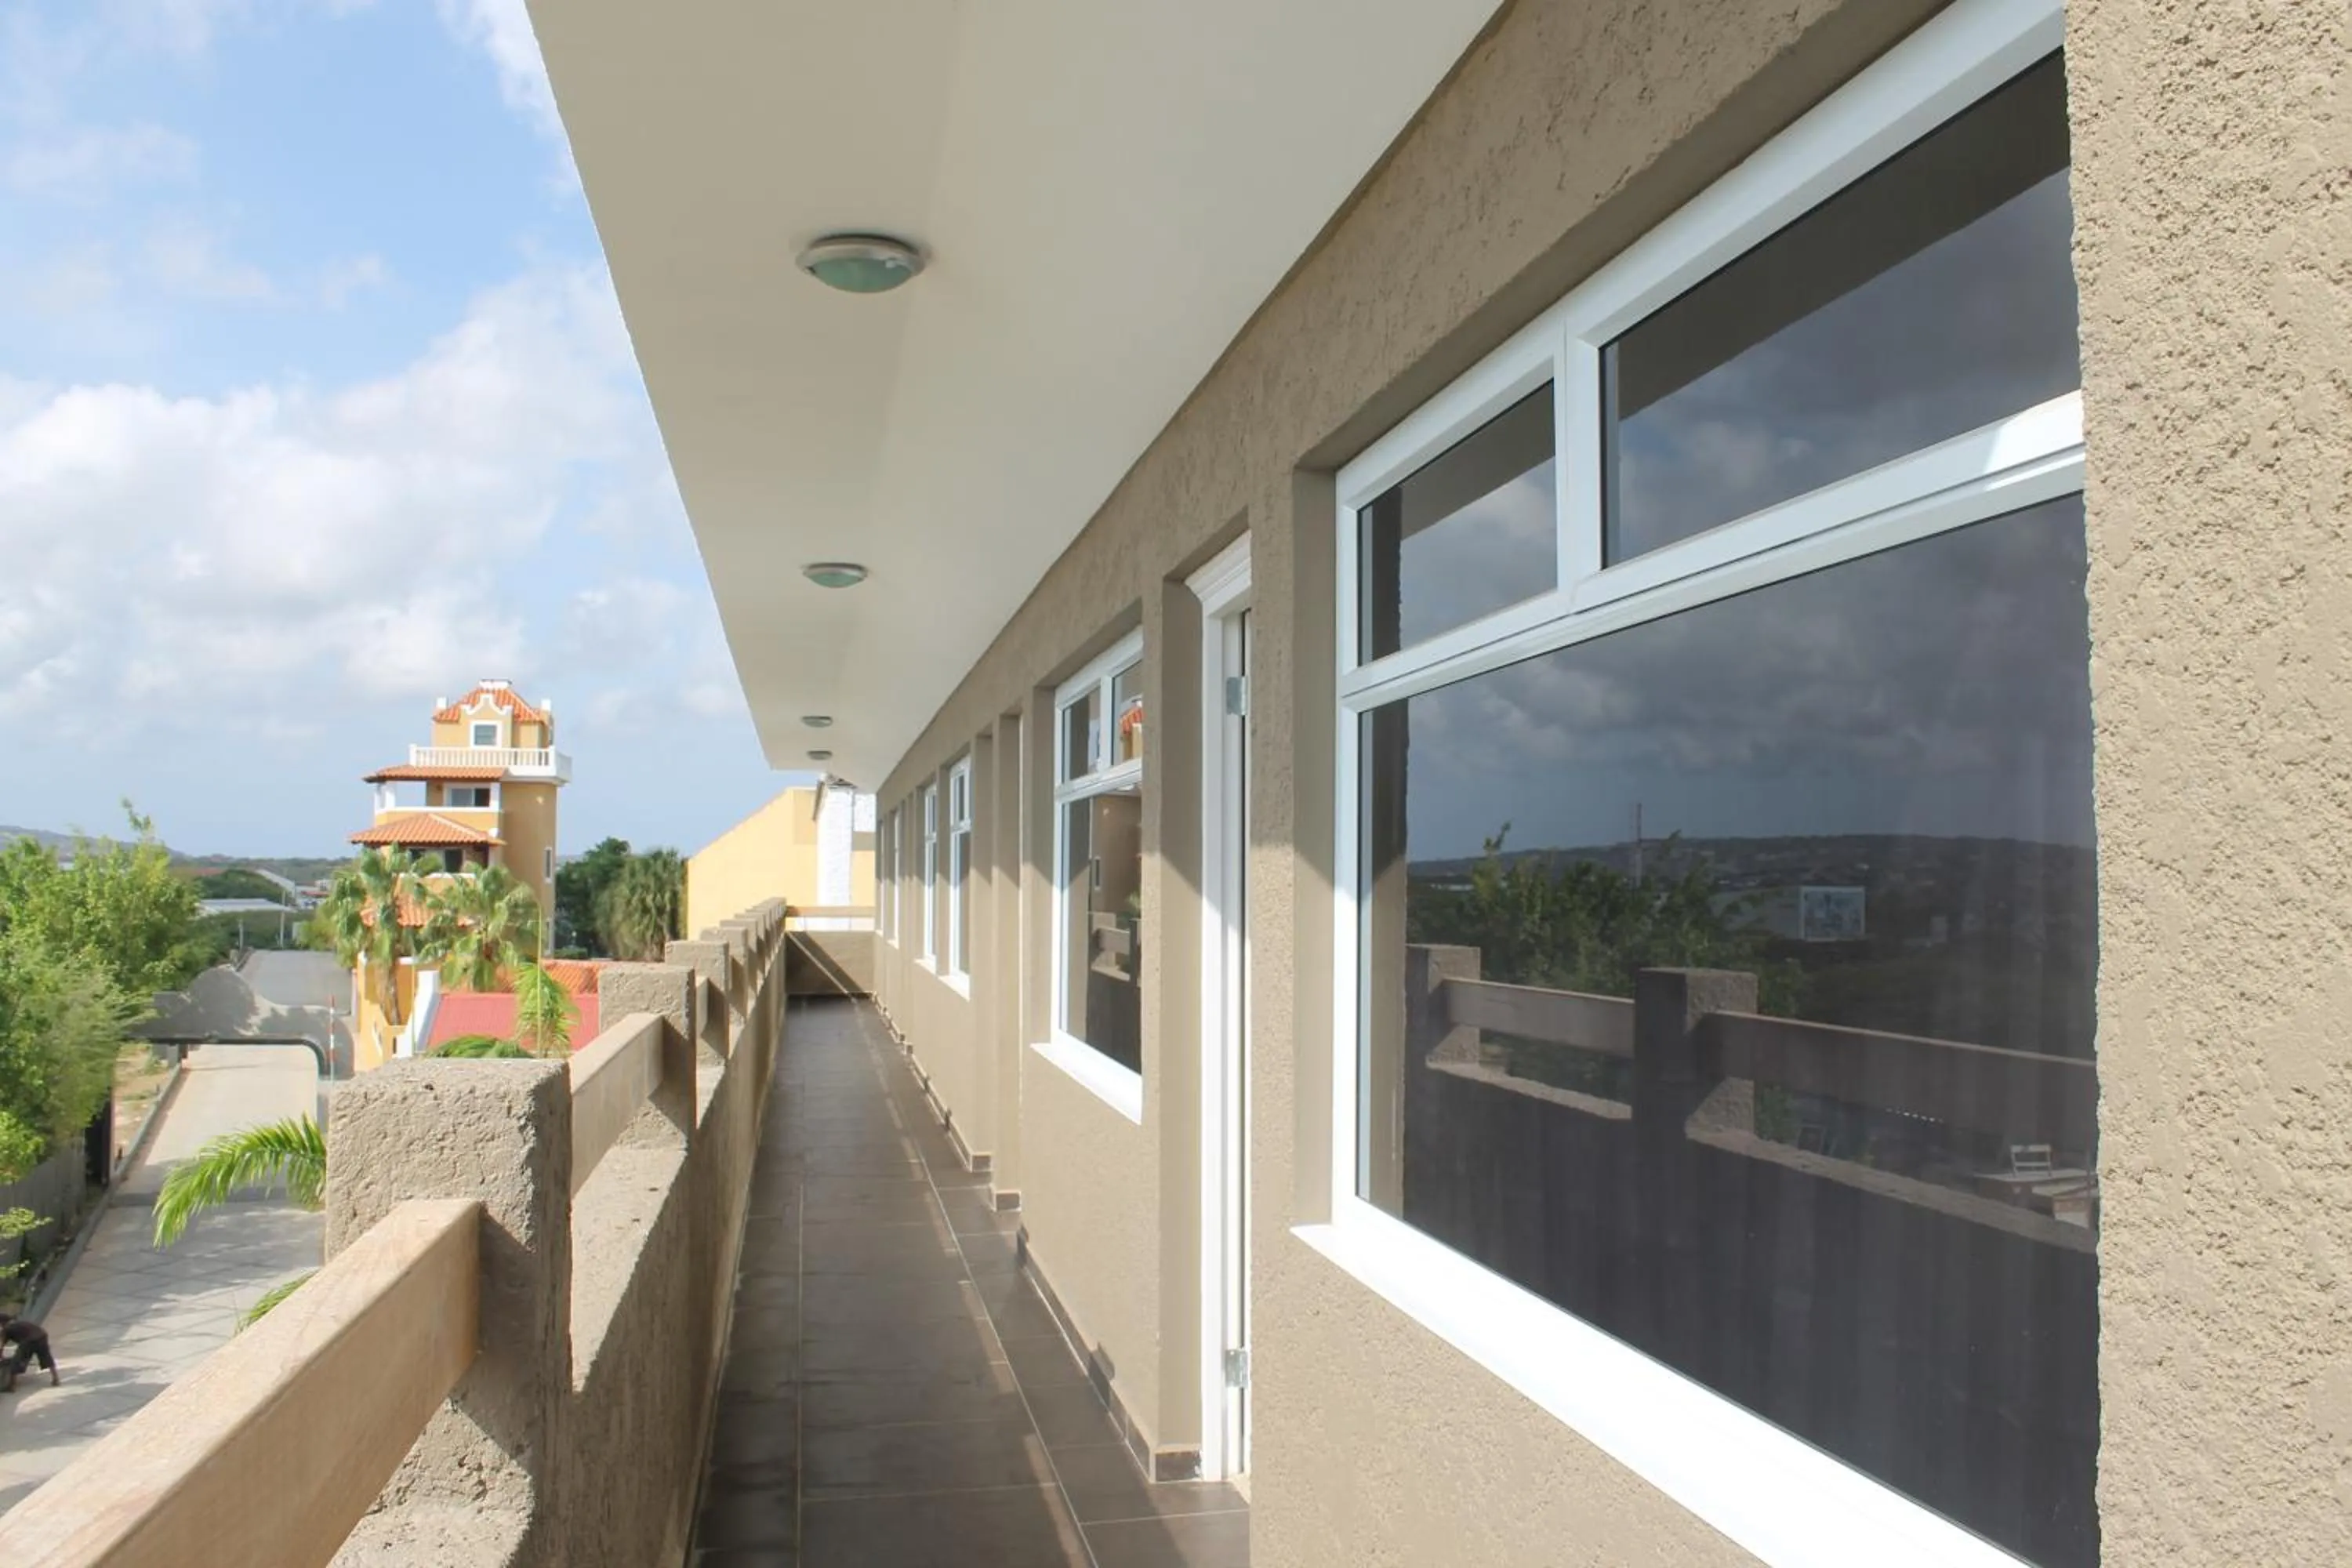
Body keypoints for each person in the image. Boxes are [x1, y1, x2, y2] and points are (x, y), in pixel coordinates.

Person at [0, 1312, 57, 1392]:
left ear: (2, 1322)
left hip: (29, 1341)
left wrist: (2, 1357)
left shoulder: (6, 1329)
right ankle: (56, 1379)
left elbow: (1, 1346)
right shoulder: (19, 1322)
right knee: (46, 1357)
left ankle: (12, 1386)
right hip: (42, 1335)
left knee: (16, 1361)